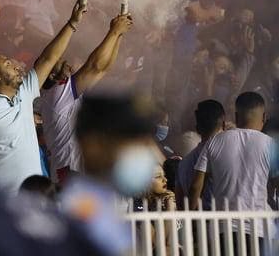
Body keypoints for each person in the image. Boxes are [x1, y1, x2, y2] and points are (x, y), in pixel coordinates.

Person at [0, 0, 87, 195]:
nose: (16, 66)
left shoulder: (24, 91)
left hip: (34, 198)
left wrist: (72, 23)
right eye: (7, 64)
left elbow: (49, 58)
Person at [40, 14, 134, 183]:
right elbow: (95, 66)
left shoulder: (59, 92)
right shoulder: (57, 91)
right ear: (51, 74)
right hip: (71, 169)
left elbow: (103, 69)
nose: (67, 64)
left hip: (71, 168)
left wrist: (119, 34)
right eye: (60, 62)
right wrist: (113, 32)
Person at [60, 94, 157, 256]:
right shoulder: (77, 219)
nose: (140, 153)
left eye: (143, 143)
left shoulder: (106, 212)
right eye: (129, 141)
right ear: (93, 145)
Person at [189, 93, 278, 224]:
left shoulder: (215, 141)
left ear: (236, 116)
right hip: (259, 230)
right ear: (264, 117)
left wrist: (192, 219)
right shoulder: (271, 145)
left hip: (222, 230)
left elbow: (196, 186)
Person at [174, 99, 225, 210]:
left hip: (197, 224)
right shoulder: (229, 155)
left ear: (197, 129)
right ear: (224, 125)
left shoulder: (183, 164)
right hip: (227, 223)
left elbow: (181, 204)